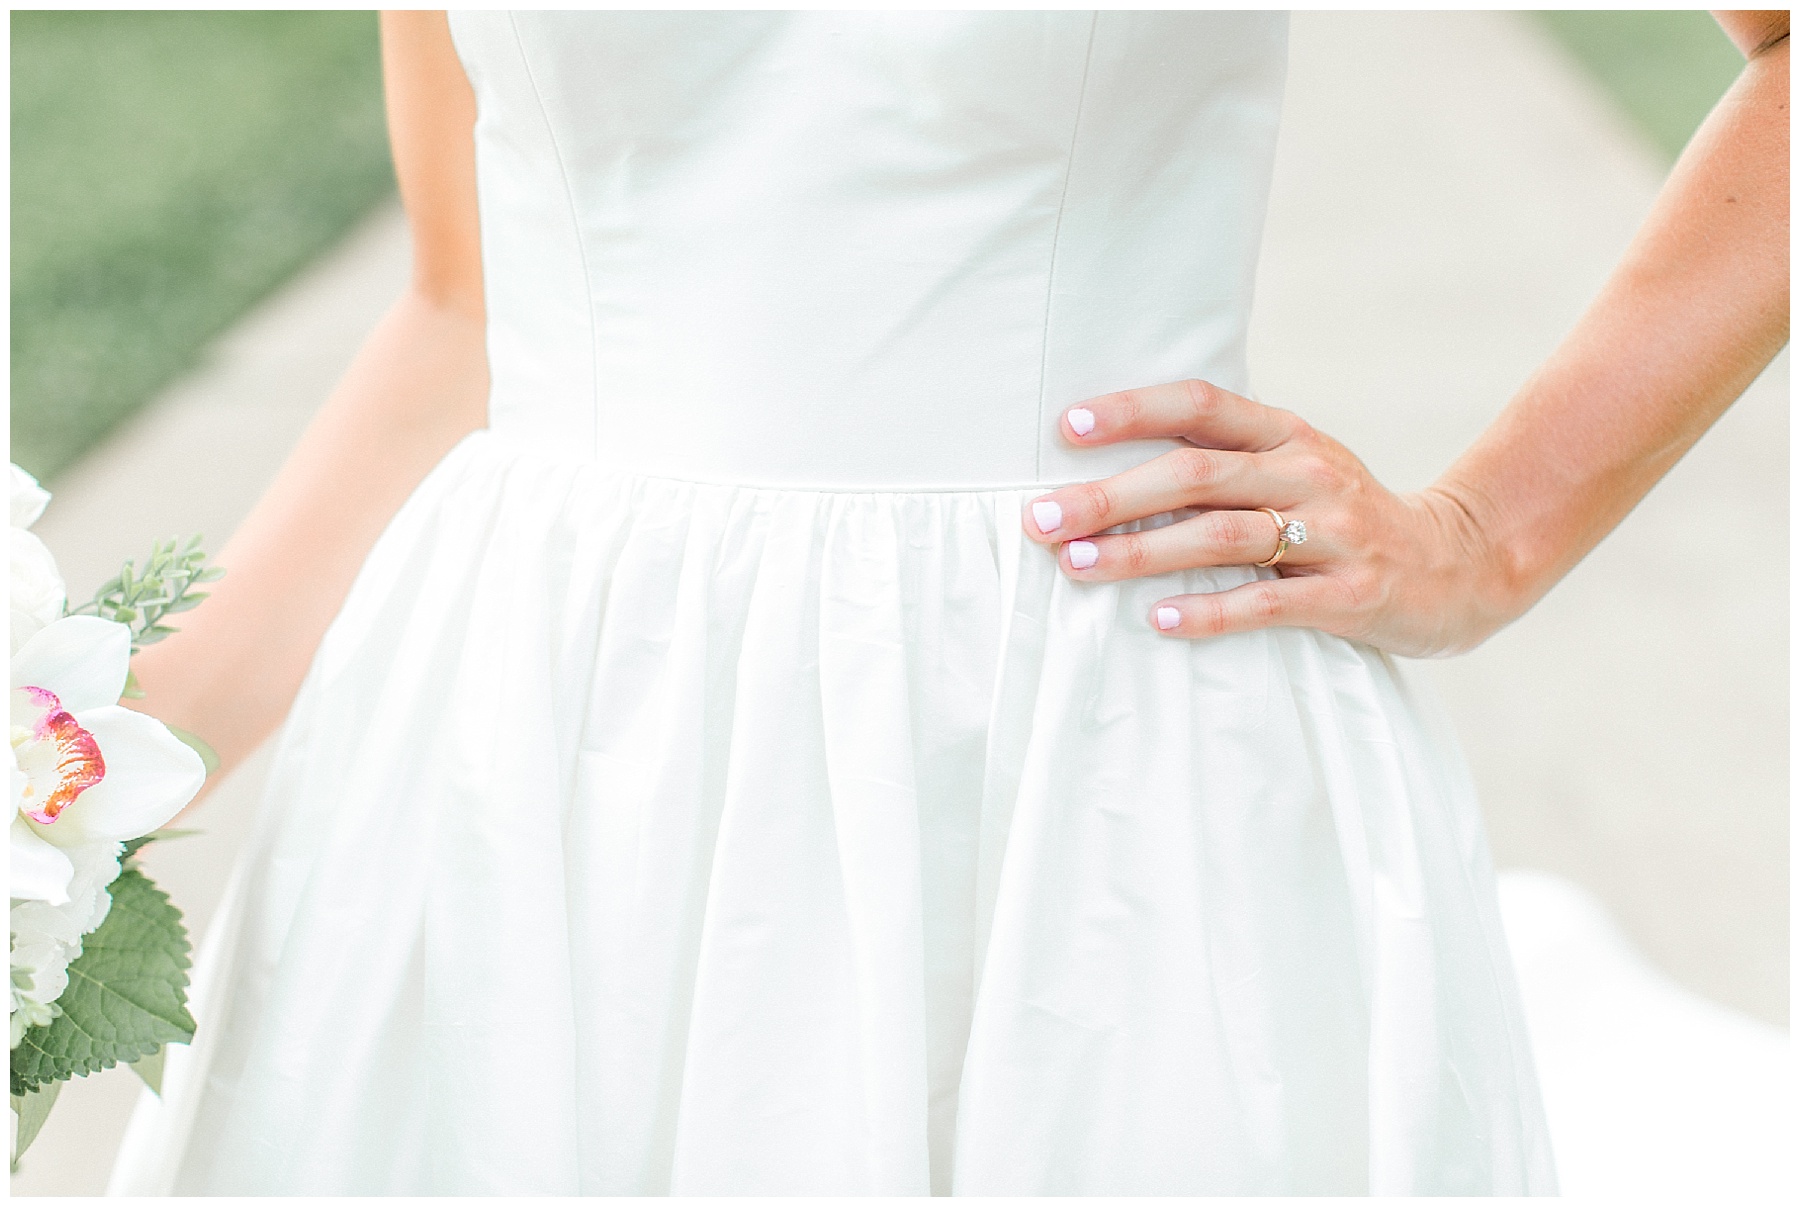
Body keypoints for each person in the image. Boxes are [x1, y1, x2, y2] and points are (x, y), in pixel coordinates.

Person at [109, 10, 1786, 1195]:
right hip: (536, 761)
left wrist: (1486, 534)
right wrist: (66, 802)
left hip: (1083, 754)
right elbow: (465, 315)